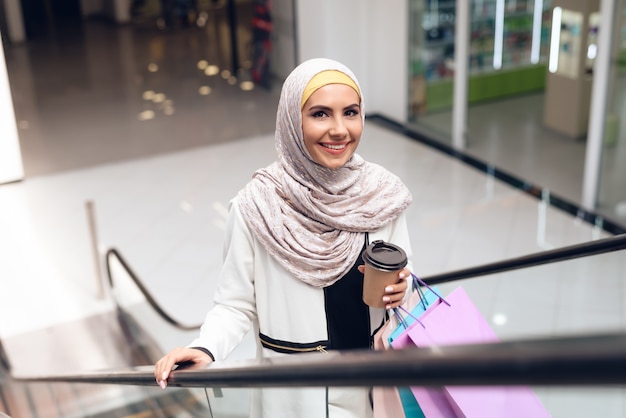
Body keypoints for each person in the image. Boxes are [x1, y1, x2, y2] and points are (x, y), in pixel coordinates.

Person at [154, 57, 414, 417]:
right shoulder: (257, 207)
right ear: (292, 119)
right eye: (320, 114)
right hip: (296, 392)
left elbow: (406, 272)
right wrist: (206, 348)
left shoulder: (380, 196)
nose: (339, 130)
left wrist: (403, 288)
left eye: (350, 112)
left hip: (372, 385)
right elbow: (235, 303)